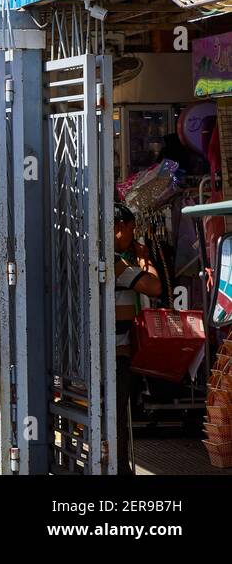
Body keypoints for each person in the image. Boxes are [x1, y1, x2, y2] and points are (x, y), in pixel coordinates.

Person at [113, 203, 163, 475]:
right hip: (115, 351)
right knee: (118, 416)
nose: (133, 236)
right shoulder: (115, 263)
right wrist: (146, 260)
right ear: (119, 227)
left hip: (106, 349)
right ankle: (119, 469)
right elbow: (154, 287)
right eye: (132, 229)